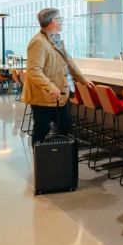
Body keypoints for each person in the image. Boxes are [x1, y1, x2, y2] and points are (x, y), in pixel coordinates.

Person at [22, 8, 94, 144]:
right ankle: (41, 162)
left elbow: (69, 62)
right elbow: (33, 70)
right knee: (41, 131)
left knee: (64, 129)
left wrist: (82, 79)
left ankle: (59, 159)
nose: (62, 22)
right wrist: (50, 87)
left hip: (60, 95)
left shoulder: (55, 39)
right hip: (44, 97)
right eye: (60, 19)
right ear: (53, 22)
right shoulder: (38, 42)